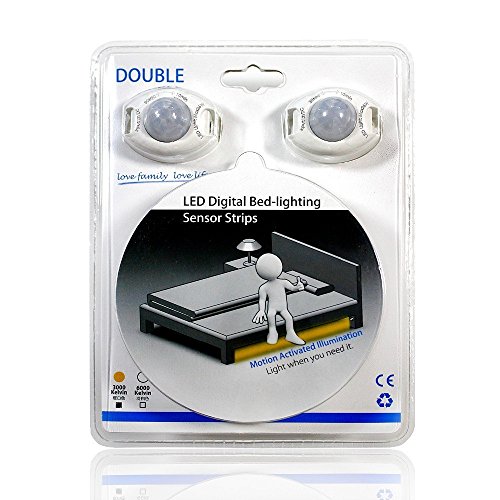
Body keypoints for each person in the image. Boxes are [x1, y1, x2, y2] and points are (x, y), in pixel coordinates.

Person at [252, 253, 306, 345]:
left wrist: (298, 287)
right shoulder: (264, 288)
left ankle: (290, 333)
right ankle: (272, 332)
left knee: (289, 318)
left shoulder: (283, 282)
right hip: (272, 308)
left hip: (283, 308)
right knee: (270, 316)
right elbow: (262, 300)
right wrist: (261, 310)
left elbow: (293, 288)